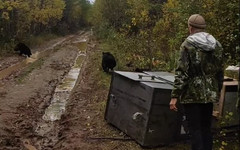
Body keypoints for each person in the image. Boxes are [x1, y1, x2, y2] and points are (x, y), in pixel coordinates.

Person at [170, 14, 224, 150]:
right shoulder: (216, 45)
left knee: (195, 129)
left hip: (192, 94)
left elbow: (182, 72)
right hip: (210, 93)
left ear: (190, 27)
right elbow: (220, 71)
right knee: (206, 128)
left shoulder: (188, 45)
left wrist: (175, 96)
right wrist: (217, 90)